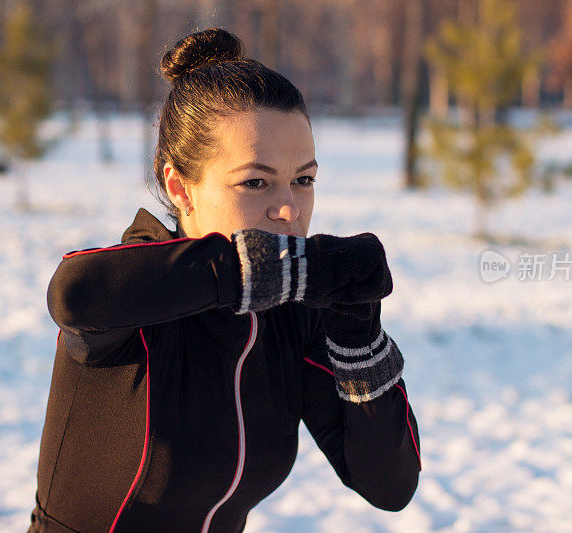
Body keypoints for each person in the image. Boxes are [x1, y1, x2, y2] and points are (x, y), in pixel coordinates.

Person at [28, 28, 421, 533]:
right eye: (255, 182)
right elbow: (73, 293)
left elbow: (390, 486)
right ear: (180, 187)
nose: (289, 209)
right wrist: (255, 269)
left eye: (304, 179)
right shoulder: (133, 290)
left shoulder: (293, 315)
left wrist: (358, 338)